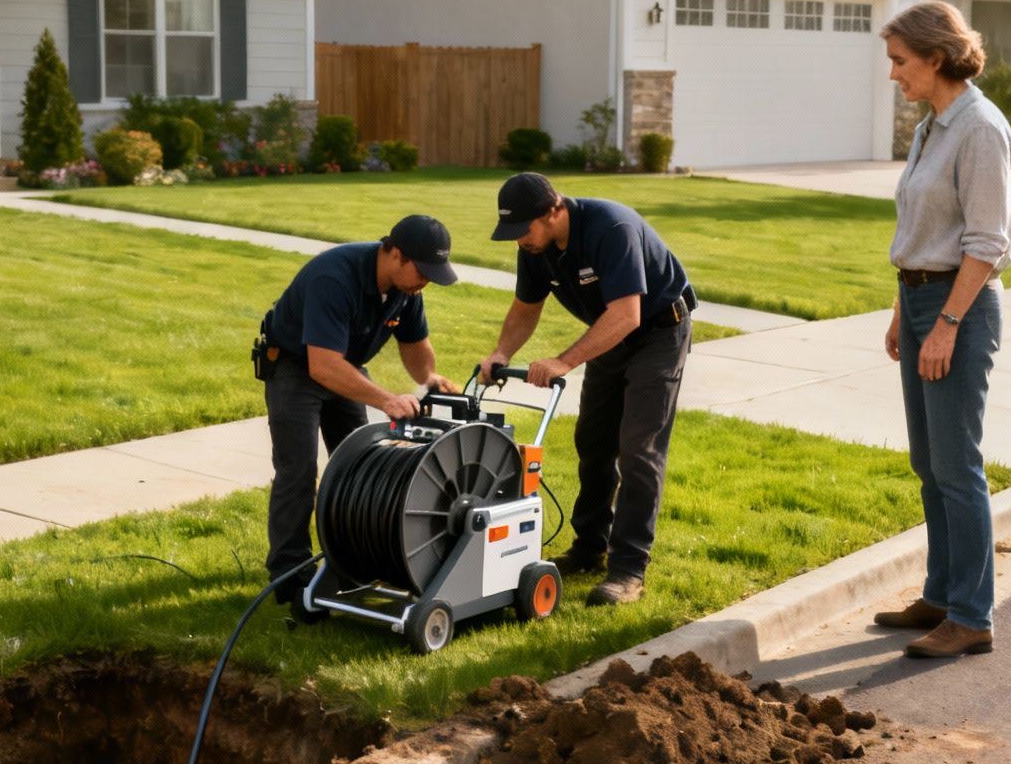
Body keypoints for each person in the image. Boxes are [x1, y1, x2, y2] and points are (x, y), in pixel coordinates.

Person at [870, 0, 1011, 658]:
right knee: (929, 463)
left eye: (901, 62)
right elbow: (923, 230)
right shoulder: (934, 126)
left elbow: (987, 243)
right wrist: (906, 311)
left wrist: (947, 324)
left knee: (958, 465)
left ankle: (972, 616)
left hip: (961, 306)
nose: (894, 74)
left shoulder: (980, 130)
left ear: (936, 57)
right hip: (923, 300)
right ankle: (940, 594)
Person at [480, 172, 695, 607]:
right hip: (609, 335)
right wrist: (500, 352)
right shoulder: (535, 247)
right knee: (593, 441)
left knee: (639, 448)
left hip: (657, 332)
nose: (519, 240)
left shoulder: (610, 229)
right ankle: (589, 548)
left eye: (524, 229)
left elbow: (628, 313)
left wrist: (564, 361)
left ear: (554, 210)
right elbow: (526, 307)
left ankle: (628, 569)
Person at [259, 215, 460, 597]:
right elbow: (322, 365)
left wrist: (429, 378)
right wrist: (386, 399)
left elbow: (415, 346)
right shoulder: (335, 277)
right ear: (395, 254)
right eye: (423, 271)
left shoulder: (408, 290)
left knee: (359, 470)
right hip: (295, 367)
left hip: (344, 367)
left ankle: (354, 559)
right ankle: (288, 574)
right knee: (298, 471)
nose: (427, 281)